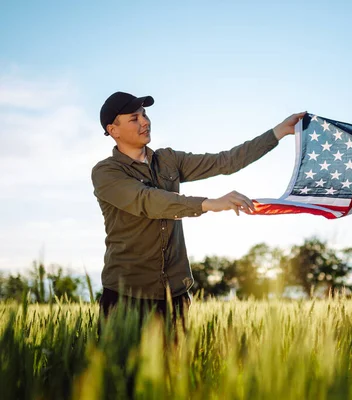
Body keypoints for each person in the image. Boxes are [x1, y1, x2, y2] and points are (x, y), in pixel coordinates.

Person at [92, 91, 304, 329]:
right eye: (134, 118)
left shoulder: (168, 160)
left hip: (174, 296)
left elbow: (225, 161)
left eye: (145, 115)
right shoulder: (106, 173)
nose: (145, 122)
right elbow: (148, 201)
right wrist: (209, 203)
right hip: (126, 295)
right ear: (113, 130)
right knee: (118, 367)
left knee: (174, 366)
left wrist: (278, 132)